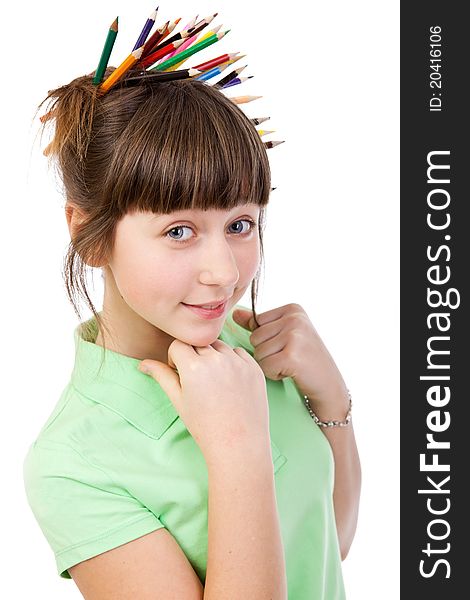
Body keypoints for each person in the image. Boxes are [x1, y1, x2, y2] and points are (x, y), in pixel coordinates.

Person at [22, 45, 361, 599]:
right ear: (89, 234)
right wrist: (236, 445)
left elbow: (332, 541)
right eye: (179, 231)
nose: (225, 272)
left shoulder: (256, 353)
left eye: (241, 223)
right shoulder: (72, 464)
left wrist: (331, 400)